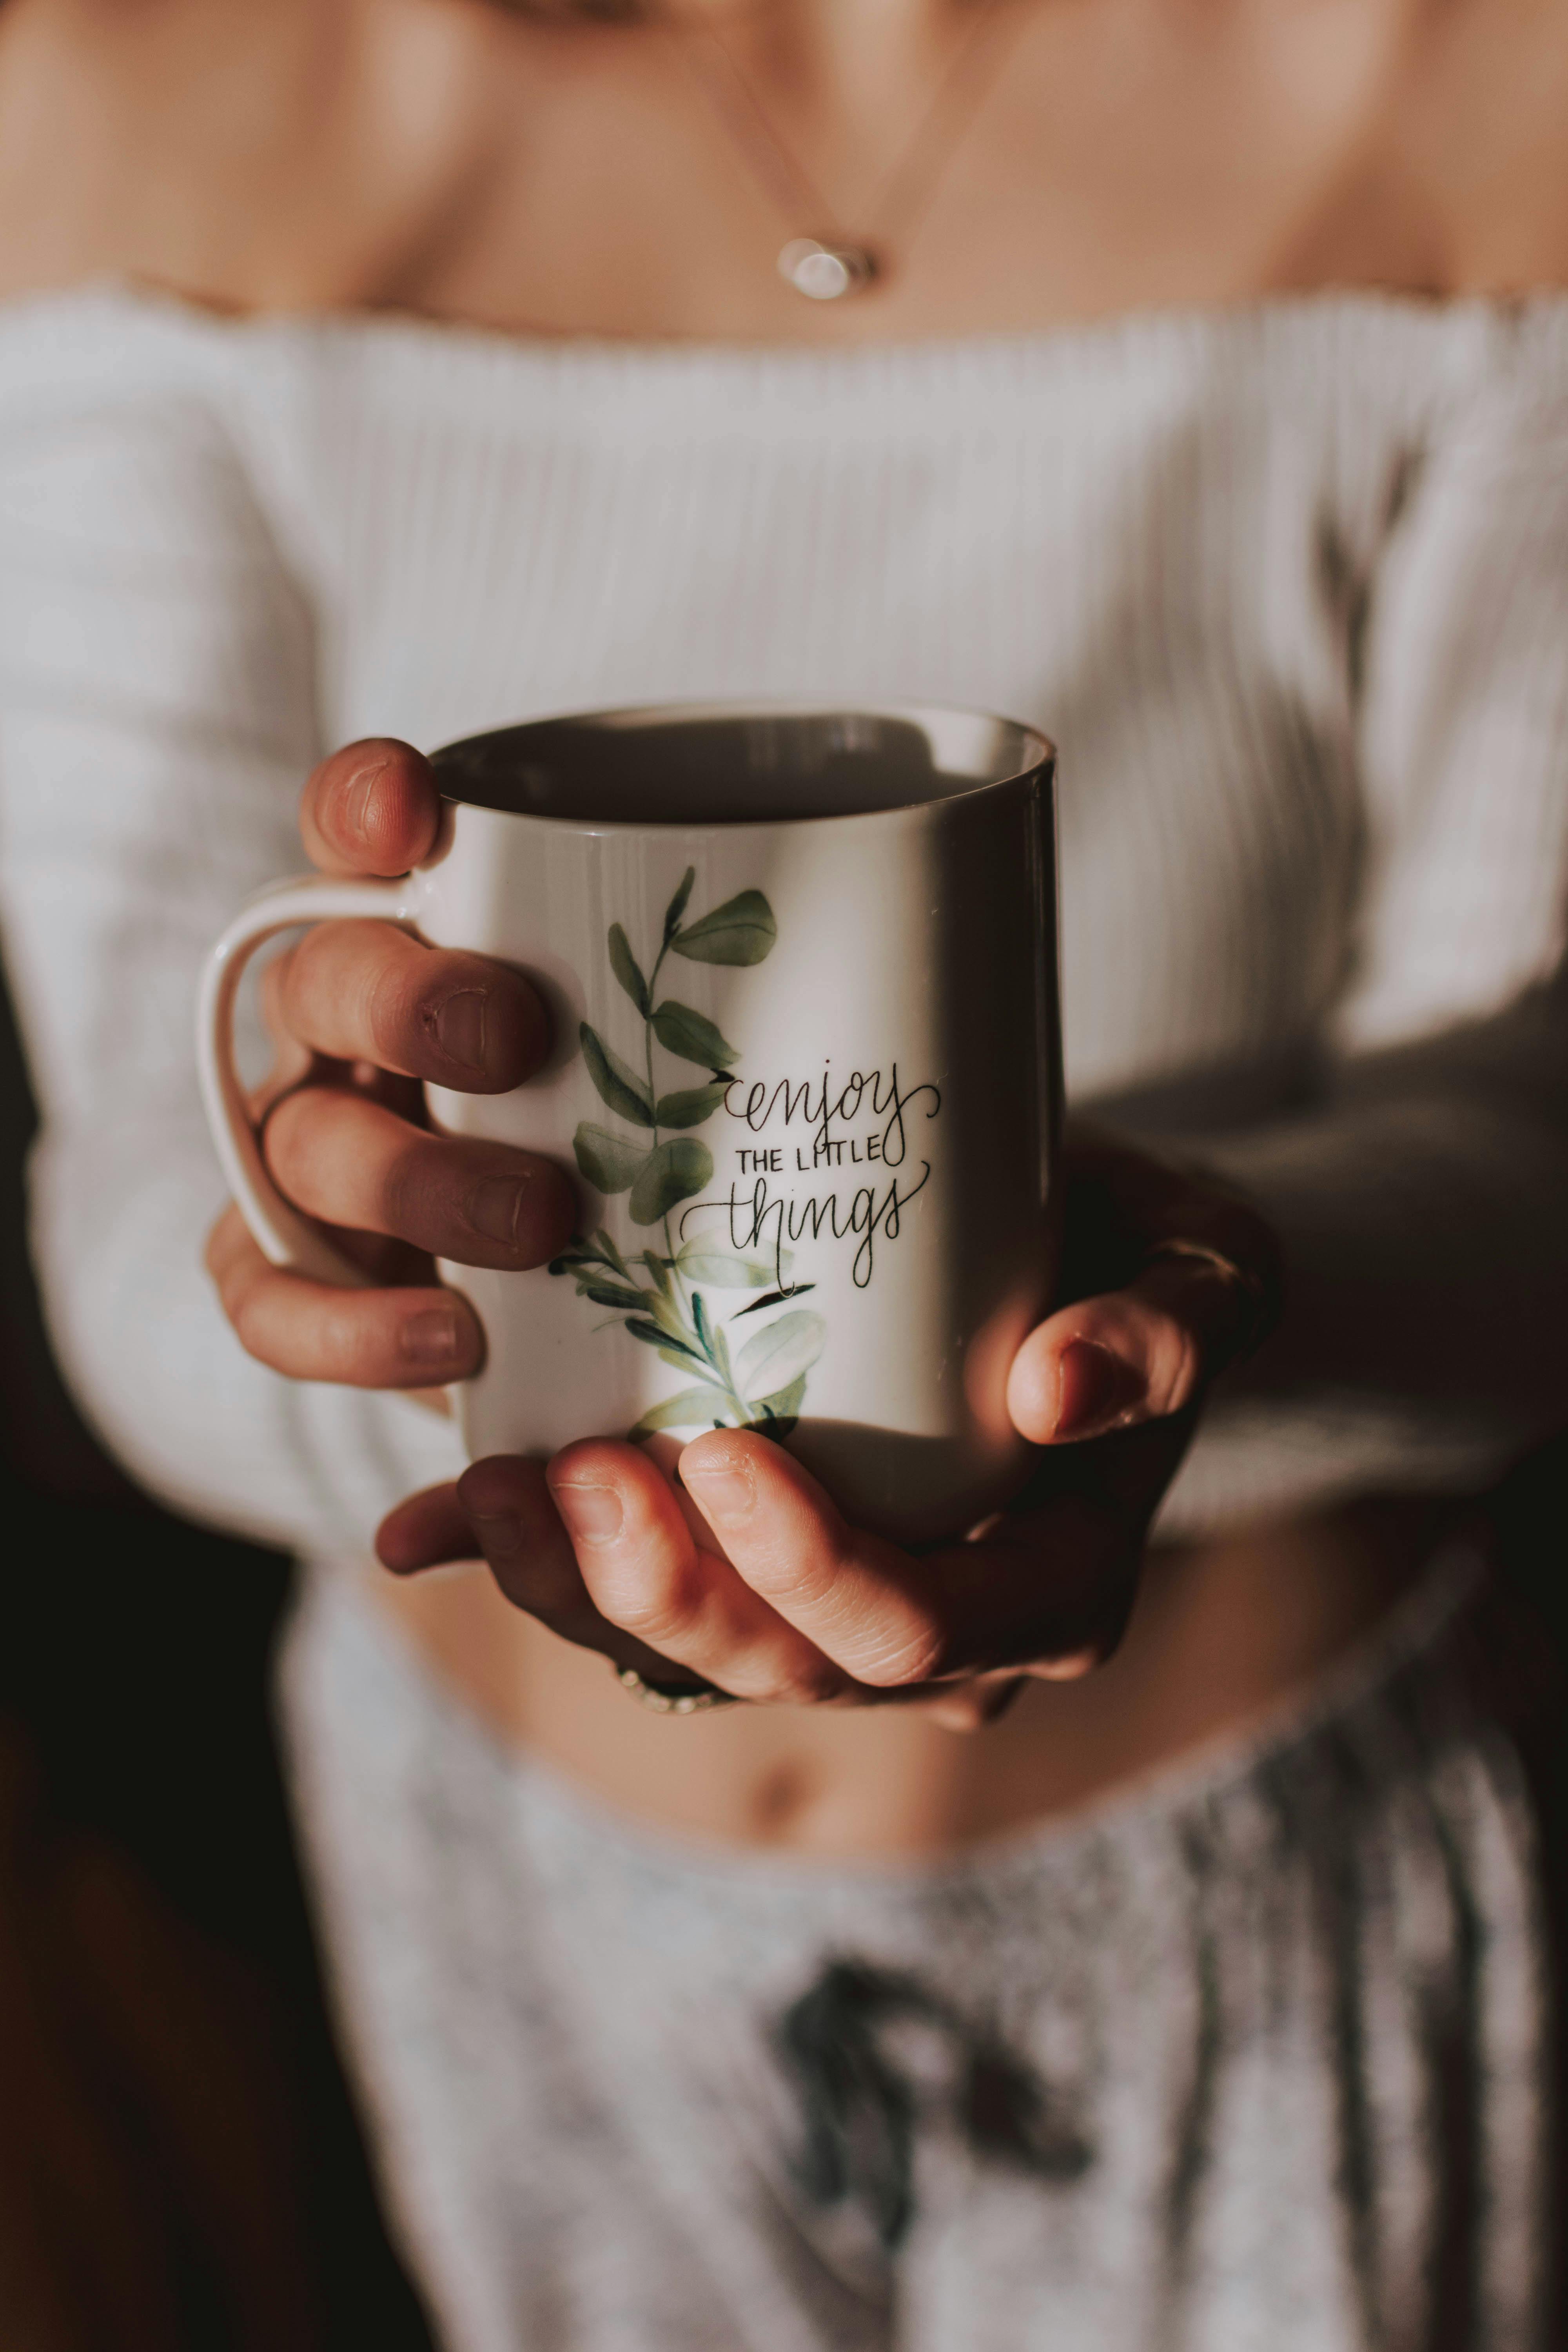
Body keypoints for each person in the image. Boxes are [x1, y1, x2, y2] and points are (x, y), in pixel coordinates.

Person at [2, 0, 1567, 2342]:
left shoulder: (1493, 81)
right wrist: (366, 1307)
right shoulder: (118, 84)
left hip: (1277, 1893)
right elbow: (138, 1181)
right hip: (514, 1919)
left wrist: (1193, 1292)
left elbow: (1536, 1149)